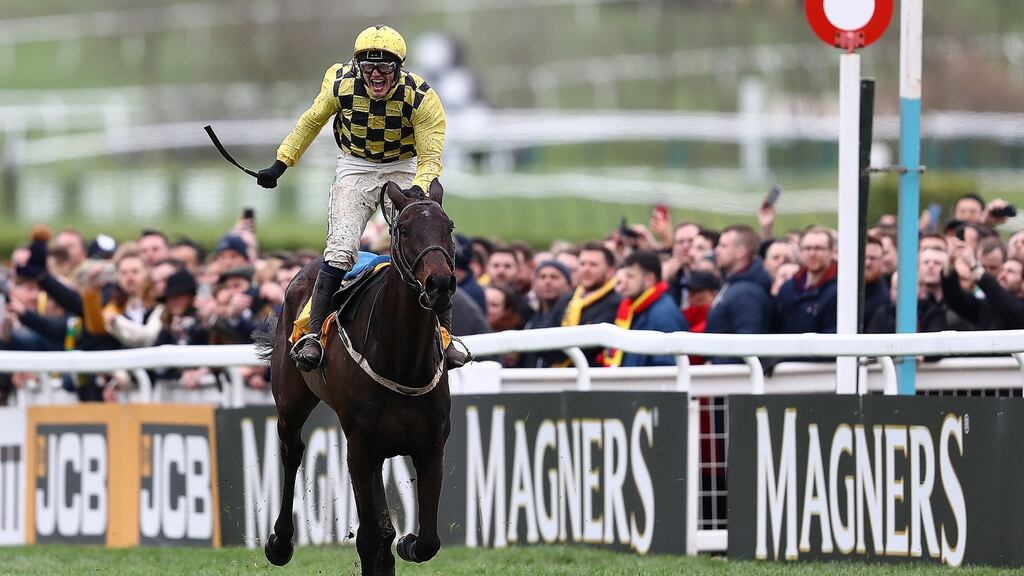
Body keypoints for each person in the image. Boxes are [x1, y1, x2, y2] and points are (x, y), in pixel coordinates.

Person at [256, 25, 459, 371]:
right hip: (356, 166)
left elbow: (430, 159)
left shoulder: (422, 98)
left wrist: (419, 192)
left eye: (384, 68)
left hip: (404, 165)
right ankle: (312, 335)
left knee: (427, 241)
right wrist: (281, 162)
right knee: (340, 249)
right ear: (357, 65)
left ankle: (444, 335)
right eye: (369, 67)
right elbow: (309, 123)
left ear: (399, 68)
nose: (376, 74)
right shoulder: (339, 84)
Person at [601, 250, 688, 367]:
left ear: (649, 280)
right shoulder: (636, 307)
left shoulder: (664, 314)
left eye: (630, 276)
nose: (624, 281)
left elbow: (665, 367)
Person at [705, 224, 772, 363]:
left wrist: (717, 364)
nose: (717, 251)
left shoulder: (747, 293)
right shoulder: (733, 283)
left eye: (723, 246)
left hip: (733, 379)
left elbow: (747, 342)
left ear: (741, 252)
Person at [772, 227, 838, 335]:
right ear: (800, 252)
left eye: (819, 248)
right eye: (807, 248)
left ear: (832, 252)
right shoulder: (788, 288)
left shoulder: (841, 290)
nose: (812, 253)